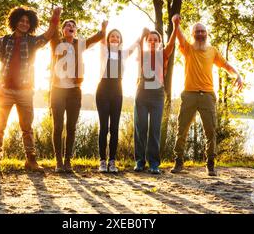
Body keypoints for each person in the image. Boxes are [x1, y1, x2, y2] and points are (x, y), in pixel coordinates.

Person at [0, 6, 62, 172]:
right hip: (4, 91)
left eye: (27, 21)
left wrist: (56, 16)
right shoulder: (3, 41)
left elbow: (49, 34)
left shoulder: (32, 42)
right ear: (15, 21)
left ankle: (31, 161)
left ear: (31, 24)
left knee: (27, 128)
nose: (25, 24)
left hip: (25, 92)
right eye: (21, 20)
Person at [171, 14, 243, 176]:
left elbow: (225, 65)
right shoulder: (187, 48)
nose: (200, 34)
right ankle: (178, 162)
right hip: (189, 94)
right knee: (181, 130)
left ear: (207, 33)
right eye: (197, 31)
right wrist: (176, 24)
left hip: (208, 96)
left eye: (203, 31)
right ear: (193, 34)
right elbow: (179, 37)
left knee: (210, 131)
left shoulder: (212, 51)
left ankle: (210, 164)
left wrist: (237, 74)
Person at [50, 19, 108, 173]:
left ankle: (68, 160)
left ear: (75, 31)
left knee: (71, 127)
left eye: (73, 26)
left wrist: (103, 29)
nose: (71, 27)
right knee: (58, 126)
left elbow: (97, 38)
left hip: (74, 91)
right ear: (63, 30)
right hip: (57, 90)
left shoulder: (80, 44)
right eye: (68, 25)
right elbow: (51, 30)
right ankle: (58, 161)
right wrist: (56, 16)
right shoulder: (56, 43)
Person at [96, 28, 145, 173]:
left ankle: (112, 161)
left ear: (120, 40)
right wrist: (104, 28)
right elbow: (101, 39)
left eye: (117, 36)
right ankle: (102, 161)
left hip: (117, 91)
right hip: (103, 91)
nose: (115, 38)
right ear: (108, 39)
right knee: (104, 128)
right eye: (112, 36)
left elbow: (136, 44)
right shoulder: (104, 52)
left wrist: (142, 35)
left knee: (115, 128)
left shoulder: (123, 54)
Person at [133, 19, 178, 174]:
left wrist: (176, 26)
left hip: (158, 93)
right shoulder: (142, 53)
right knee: (141, 127)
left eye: (155, 40)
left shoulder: (163, 54)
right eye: (150, 40)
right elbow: (139, 43)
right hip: (142, 92)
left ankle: (154, 164)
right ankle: (140, 161)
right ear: (147, 42)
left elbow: (171, 44)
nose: (152, 42)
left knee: (154, 129)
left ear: (160, 42)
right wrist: (142, 34)